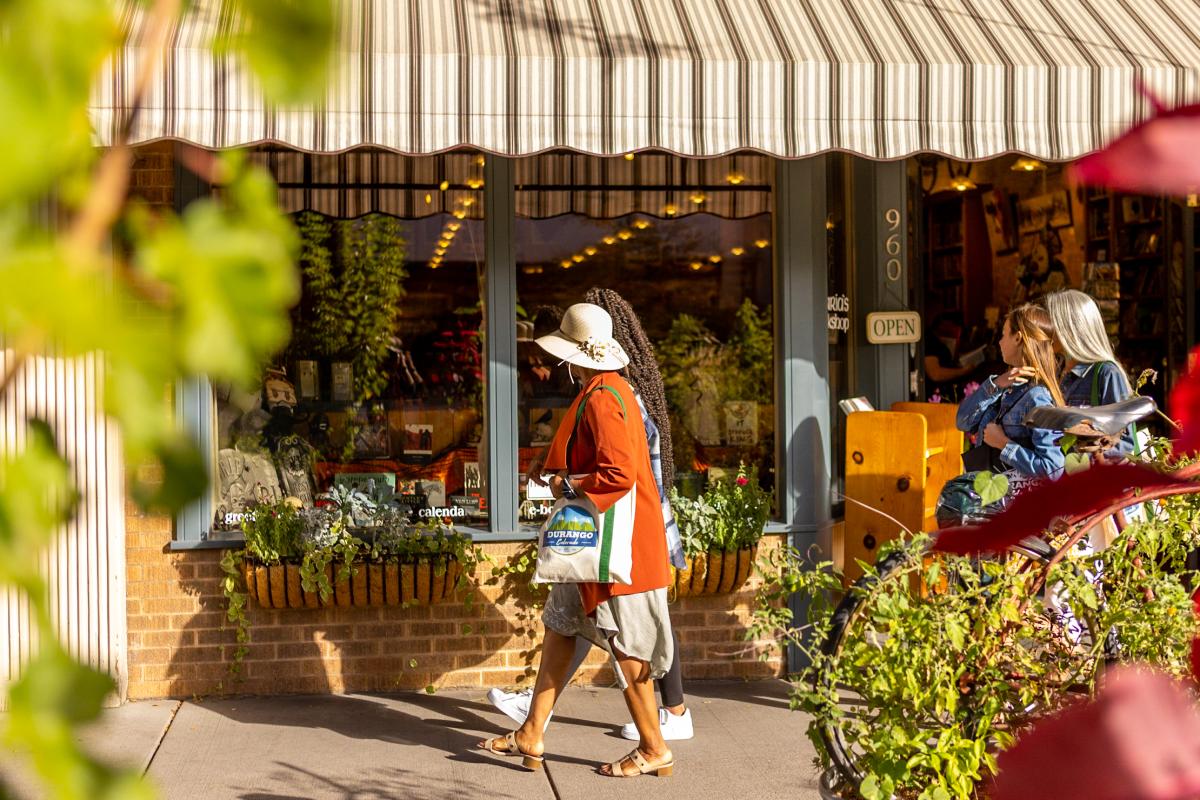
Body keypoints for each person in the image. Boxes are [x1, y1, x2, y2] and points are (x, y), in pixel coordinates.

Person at [477, 302, 677, 778]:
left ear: (573, 355)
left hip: (615, 547)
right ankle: (531, 732)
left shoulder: (604, 396)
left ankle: (654, 748)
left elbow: (618, 473)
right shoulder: (608, 388)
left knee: (625, 644)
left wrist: (564, 485)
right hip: (593, 542)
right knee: (560, 626)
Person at [956, 303, 1065, 479]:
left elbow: (1052, 469)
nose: (1000, 342)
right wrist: (997, 383)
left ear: (1017, 338)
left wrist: (1004, 444)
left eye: (1003, 334)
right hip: (993, 492)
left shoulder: (1036, 397)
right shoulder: (1003, 387)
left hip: (1016, 495)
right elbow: (962, 422)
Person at [1044, 289, 1135, 457]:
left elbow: (1125, 445)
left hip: (1088, 472)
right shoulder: (1054, 372)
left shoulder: (1107, 374)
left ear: (1070, 328)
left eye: (1050, 323)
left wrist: (1091, 447)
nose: (1044, 330)